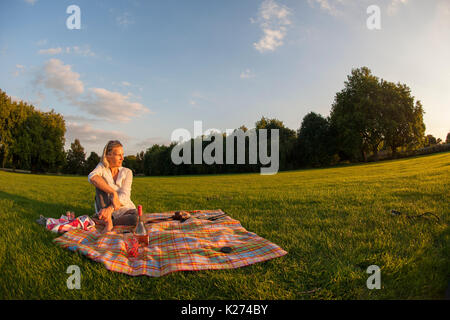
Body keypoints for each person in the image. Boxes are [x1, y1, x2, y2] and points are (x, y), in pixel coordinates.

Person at [88, 140, 138, 233]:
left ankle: (105, 222)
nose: (122, 158)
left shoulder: (127, 172)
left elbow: (125, 196)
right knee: (99, 182)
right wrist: (113, 192)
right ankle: (106, 220)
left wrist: (110, 209)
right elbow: (92, 177)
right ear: (108, 156)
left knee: (136, 218)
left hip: (122, 209)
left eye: (122, 154)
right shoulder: (102, 167)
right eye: (119, 155)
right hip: (104, 205)